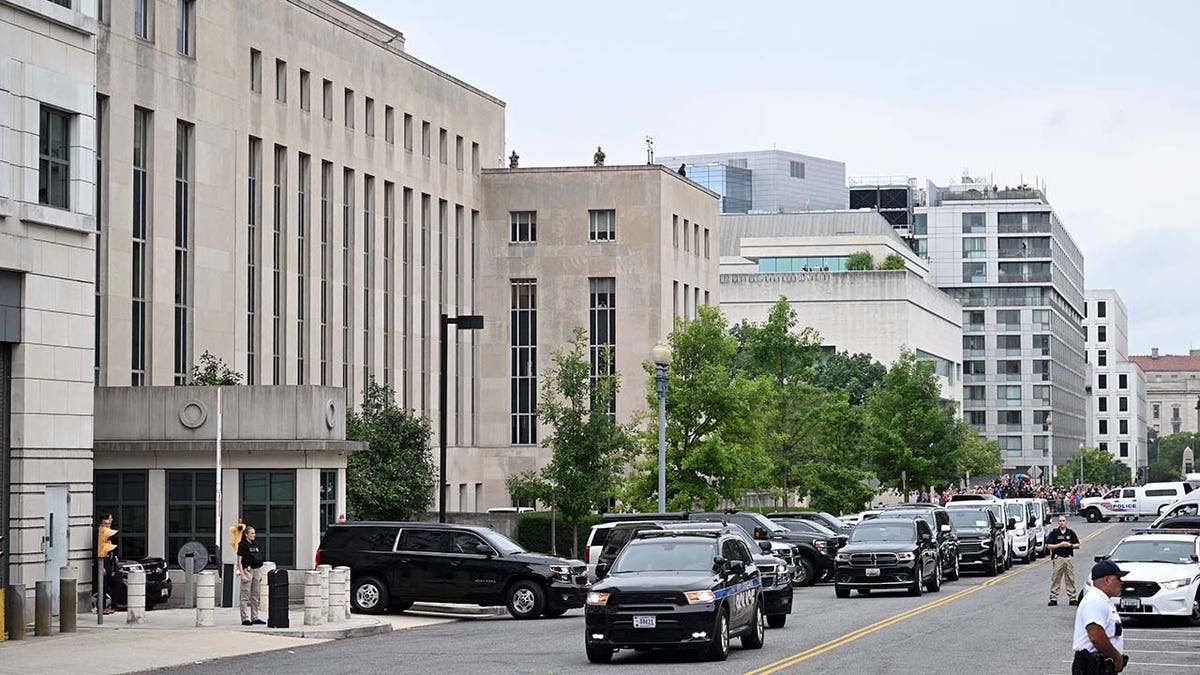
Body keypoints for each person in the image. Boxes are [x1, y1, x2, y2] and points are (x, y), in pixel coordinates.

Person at [1072, 560, 1128, 674]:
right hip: (1093, 665)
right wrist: (1116, 658)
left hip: (1101, 665)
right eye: (1118, 578)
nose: (1121, 582)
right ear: (1107, 580)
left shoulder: (1102, 599)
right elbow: (1096, 636)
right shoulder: (1095, 600)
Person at [1047, 515, 1081, 606]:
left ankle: (1072, 598)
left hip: (1068, 558)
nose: (1062, 522)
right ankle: (1053, 598)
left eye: (1063, 521)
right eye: (1060, 521)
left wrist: (1070, 545)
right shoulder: (1054, 533)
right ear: (1058, 522)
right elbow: (1049, 546)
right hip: (1059, 558)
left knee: (1070, 578)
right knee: (1056, 578)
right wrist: (1060, 545)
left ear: (1066, 522)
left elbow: (1078, 545)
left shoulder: (1071, 533)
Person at [237, 525, 266, 626]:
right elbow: (239, 561)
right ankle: (245, 618)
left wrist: (260, 573)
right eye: (252, 533)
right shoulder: (242, 545)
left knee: (255, 595)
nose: (254, 535)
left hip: (257, 570)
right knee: (245, 595)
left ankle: (255, 617)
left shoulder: (255, 544)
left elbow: (258, 559)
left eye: (254, 533)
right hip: (248, 570)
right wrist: (242, 574)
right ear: (246, 535)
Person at [98, 513, 126, 614]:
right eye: (105, 524)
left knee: (117, 581)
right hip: (103, 562)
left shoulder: (110, 534)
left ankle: (115, 604)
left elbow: (113, 548)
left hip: (112, 562)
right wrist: (100, 566)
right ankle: (102, 607)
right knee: (103, 585)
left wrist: (115, 557)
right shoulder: (100, 535)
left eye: (108, 524)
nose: (107, 525)